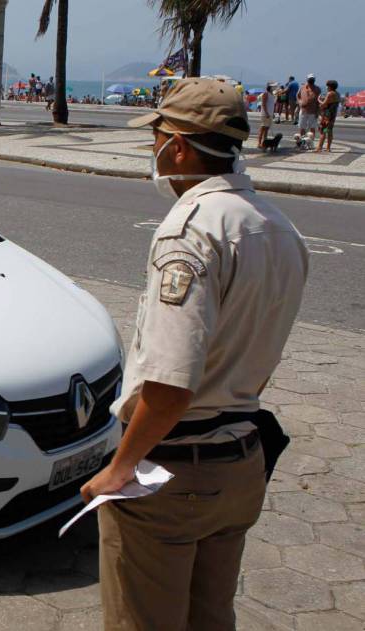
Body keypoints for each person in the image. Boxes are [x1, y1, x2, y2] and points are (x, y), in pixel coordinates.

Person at [86, 77, 308, 631]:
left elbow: (169, 384)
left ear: (179, 145)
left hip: (174, 470)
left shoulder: (189, 232)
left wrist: (119, 468)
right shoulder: (278, 226)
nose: (153, 150)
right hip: (241, 461)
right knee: (211, 617)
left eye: (155, 137)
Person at [317, 79, 340, 153]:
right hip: (333, 115)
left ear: (330, 86)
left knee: (323, 131)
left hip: (327, 116)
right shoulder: (337, 93)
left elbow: (324, 104)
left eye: (327, 86)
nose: (326, 87)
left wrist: (318, 99)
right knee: (329, 131)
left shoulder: (330, 93)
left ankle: (319, 148)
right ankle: (328, 148)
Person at [297, 74, 320, 146]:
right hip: (303, 110)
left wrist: (318, 112)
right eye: (310, 79)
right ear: (307, 79)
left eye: (312, 79)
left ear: (314, 80)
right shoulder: (302, 87)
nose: (311, 80)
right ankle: (302, 142)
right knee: (302, 127)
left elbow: (319, 101)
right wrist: (300, 102)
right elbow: (297, 96)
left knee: (312, 128)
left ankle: (311, 143)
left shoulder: (317, 89)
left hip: (313, 111)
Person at [258, 82, 276, 148]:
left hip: (269, 114)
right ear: (270, 87)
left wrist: (272, 113)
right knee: (263, 128)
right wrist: (267, 113)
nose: (274, 87)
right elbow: (264, 104)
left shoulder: (272, 94)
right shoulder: (265, 94)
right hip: (265, 114)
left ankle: (264, 142)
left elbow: (271, 105)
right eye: (273, 86)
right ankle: (259, 143)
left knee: (267, 129)